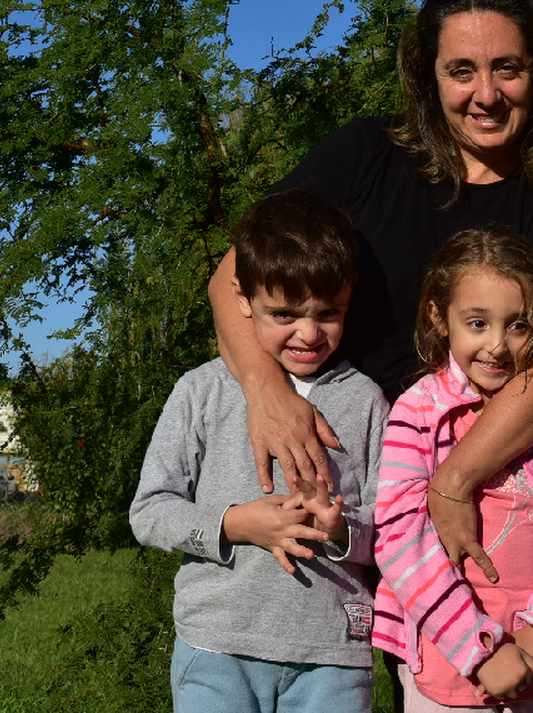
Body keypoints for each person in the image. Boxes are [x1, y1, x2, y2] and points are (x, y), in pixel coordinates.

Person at [208, 0, 533, 569]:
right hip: (351, 487)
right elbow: (232, 279)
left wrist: (452, 482)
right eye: (461, 71)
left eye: (507, 68)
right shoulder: (364, 155)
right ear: (428, 77)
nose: (485, 94)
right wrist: (268, 392)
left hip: (497, 488)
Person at [130, 189, 390, 713]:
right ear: (243, 301)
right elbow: (149, 511)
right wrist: (236, 524)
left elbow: (393, 530)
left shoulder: (365, 401)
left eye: (328, 312)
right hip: (216, 647)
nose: (309, 333)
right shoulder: (201, 391)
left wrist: (342, 530)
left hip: (332, 656)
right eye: (285, 313)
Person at [373, 228, 533, 712]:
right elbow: (400, 538)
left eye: (519, 326)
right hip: (445, 666)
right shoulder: (417, 412)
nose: (498, 346)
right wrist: (478, 649)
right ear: (438, 318)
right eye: (478, 323)